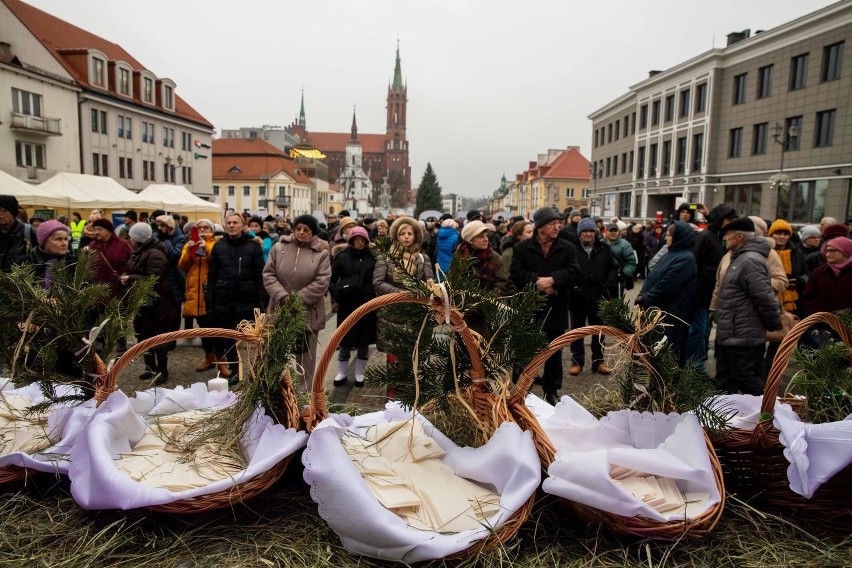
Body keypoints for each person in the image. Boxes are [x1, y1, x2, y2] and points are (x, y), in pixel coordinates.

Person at [510, 207, 580, 406]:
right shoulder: (522, 248)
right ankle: (523, 389)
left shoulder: (567, 248)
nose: (557, 226)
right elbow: (516, 273)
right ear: (540, 227)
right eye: (552, 223)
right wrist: (537, 282)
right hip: (530, 308)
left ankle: (551, 391)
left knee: (554, 351)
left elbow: (574, 271)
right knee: (525, 351)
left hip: (556, 307)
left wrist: (553, 280)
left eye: (558, 223)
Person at [263, 214, 331, 392]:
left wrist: (297, 299)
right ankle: (275, 390)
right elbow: (269, 274)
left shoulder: (321, 253)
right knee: (276, 352)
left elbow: (322, 282)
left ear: (313, 233)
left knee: (305, 357)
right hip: (280, 308)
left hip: (307, 312)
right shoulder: (279, 248)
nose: (301, 232)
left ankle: (304, 395)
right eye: (298, 228)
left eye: (306, 230)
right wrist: (283, 296)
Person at [713, 218, 780, 395]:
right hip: (732, 332)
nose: (724, 238)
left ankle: (769, 410)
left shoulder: (750, 261)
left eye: (727, 234)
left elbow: (764, 296)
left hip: (743, 335)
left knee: (745, 377)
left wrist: (773, 322)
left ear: (740, 237)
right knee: (725, 379)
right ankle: (726, 418)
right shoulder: (739, 258)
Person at [206, 213, 266, 383]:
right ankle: (235, 371)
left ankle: (256, 371)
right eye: (229, 223)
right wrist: (210, 304)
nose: (231, 225)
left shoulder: (253, 247)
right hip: (224, 300)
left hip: (247, 299)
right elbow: (211, 277)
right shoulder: (219, 247)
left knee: (251, 339)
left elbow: (259, 276)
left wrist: (261, 303)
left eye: (235, 222)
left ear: (242, 225)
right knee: (229, 338)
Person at [121, 223, 179, 385]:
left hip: (158, 302)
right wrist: (127, 275)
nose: (130, 239)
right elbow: (135, 269)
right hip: (143, 301)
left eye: (132, 236)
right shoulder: (140, 252)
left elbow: (154, 278)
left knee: (158, 338)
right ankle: (149, 368)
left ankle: (162, 370)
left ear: (137, 238)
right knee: (143, 334)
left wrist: (130, 278)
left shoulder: (155, 254)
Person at [373, 216, 434, 365]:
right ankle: (393, 388)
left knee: (415, 357)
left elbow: (430, 282)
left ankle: (414, 388)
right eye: (402, 233)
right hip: (392, 313)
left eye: (410, 233)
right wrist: (397, 292)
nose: (406, 237)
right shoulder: (386, 257)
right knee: (394, 359)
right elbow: (378, 282)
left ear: (416, 236)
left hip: (416, 312)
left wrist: (424, 289)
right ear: (396, 236)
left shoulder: (422, 258)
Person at [635, 221, 697, 365]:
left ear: (679, 237)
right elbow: (652, 277)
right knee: (656, 352)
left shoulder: (686, 258)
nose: (666, 238)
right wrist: (642, 293)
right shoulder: (670, 254)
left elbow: (667, 284)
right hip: (661, 311)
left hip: (674, 314)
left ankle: (668, 386)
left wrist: (645, 298)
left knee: (670, 353)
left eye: (669, 235)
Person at [686, 204, 737, 367]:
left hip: (713, 294)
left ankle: (698, 362)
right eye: (728, 219)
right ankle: (692, 365)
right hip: (700, 293)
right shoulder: (706, 237)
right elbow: (693, 263)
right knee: (698, 331)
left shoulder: (721, 237)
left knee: (705, 331)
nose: (730, 223)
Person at [569, 217, 618, 376]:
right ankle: (577, 361)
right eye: (585, 231)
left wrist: (606, 286)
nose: (589, 234)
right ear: (579, 234)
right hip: (577, 297)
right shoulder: (572, 249)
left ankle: (598, 361)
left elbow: (613, 268)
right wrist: (574, 287)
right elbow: (567, 270)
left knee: (598, 331)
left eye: (591, 231)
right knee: (577, 331)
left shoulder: (604, 248)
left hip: (599, 296)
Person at [330, 226, 376, 387]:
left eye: (362, 239)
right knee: (344, 339)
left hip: (366, 304)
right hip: (347, 304)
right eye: (357, 239)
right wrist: (337, 294)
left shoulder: (372, 258)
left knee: (364, 341)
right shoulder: (341, 257)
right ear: (351, 240)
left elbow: (376, 280)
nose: (359, 242)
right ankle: (342, 371)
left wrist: (372, 296)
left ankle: (359, 373)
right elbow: (332, 279)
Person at [179, 218, 221, 374]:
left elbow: (218, 262)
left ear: (212, 230)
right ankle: (209, 357)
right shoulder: (189, 243)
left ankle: (222, 358)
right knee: (203, 328)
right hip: (195, 292)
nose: (203, 230)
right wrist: (190, 251)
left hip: (212, 291)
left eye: (206, 227)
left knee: (216, 327)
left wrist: (207, 249)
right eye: (199, 227)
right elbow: (182, 266)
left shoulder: (216, 244)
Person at [84, 218, 133, 303]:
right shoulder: (92, 245)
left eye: (100, 229)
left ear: (109, 231)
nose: (97, 232)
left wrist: (126, 276)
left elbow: (132, 262)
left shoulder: (123, 244)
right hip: (99, 293)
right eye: (95, 229)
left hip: (119, 291)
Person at [800, 236, 852, 316]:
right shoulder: (818, 272)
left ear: (845, 251)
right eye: (826, 251)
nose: (827, 254)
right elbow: (808, 297)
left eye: (832, 251)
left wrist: (846, 315)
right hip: (823, 323)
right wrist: (822, 315)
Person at [15, 219, 76, 286]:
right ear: (44, 242)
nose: (64, 243)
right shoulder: (24, 262)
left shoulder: (75, 262)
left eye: (66, 239)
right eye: (58, 239)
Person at [154, 214, 187, 328]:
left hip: (176, 278)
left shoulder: (180, 238)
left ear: (168, 226)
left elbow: (174, 254)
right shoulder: (159, 236)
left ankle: (174, 335)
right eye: (157, 225)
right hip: (164, 277)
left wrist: (166, 240)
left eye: (161, 225)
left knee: (175, 308)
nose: (159, 228)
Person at [0, 195, 38, 272]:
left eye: (4, 210)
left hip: (20, 281)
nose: (0, 214)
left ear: (13, 212)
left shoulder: (28, 232)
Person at [604, 223, 637, 294]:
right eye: (611, 231)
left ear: (618, 232)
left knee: (616, 303)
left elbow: (631, 262)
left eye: (615, 231)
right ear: (606, 232)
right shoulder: (600, 243)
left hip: (618, 282)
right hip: (603, 281)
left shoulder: (625, 245)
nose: (613, 233)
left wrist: (624, 274)